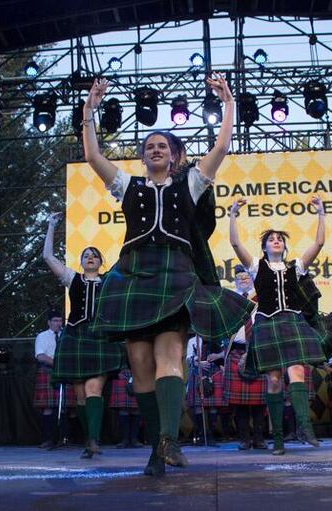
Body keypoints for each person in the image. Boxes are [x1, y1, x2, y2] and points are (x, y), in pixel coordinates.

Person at [82, 74, 253, 476]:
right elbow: (92, 157)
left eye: (163, 146)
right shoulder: (128, 186)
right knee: (139, 364)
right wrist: (89, 111)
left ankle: (169, 442)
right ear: (143, 157)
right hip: (133, 275)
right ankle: (159, 444)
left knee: (168, 354)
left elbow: (223, 146)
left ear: (174, 155)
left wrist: (228, 103)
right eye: (149, 146)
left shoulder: (191, 183)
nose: (155, 149)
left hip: (175, 273)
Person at [228, 196, 327, 455]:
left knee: (297, 372)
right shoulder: (255, 266)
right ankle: (279, 440)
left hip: (292, 321)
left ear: (283, 246)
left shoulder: (296, 267)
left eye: (280, 239)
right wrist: (233, 214)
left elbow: (318, 242)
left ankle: (305, 426)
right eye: (271, 238)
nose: (276, 241)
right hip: (267, 324)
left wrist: (321, 213)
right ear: (264, 246)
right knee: (273, 380)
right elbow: (235, 242)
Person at [43, 212, 123, 459]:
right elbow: (47, 256)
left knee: (93, 390)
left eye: (94, 255)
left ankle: (93, 440)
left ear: (100, 261)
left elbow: (129, 260)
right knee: (80, 395)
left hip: (99, 337)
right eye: (86, 255)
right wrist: (51, 225)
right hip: (76, 336)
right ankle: (89, 439)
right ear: (81, 262)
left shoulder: (110, 280)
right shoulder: (72, 278)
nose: (90, 258)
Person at [222, 266, 267, 450]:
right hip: (236, 351)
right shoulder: (229, 300)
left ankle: (259, 438)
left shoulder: (262, 298)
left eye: (246, 276)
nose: (243, 279)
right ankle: (243, 439)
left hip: (258, 350)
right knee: (239, 402)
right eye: (239, 277)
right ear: (235, 281)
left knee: (260, 401)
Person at [33, 311, 65, 449]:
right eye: (55, 320)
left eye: (60, 320)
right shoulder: (42, 336)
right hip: (48, 371)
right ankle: (47, 439)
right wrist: (58, 364)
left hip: (64, 372)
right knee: (48, 408)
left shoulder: (66, 335)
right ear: (49, 322)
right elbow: (40, 356)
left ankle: (63, 439)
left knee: (64, 407)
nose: (58, 323)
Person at [185, 334, 224, 446]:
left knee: (213, 406)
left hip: (215, 372)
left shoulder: (217, 338)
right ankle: (202, 435)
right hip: (198, 372)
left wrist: (217, 355)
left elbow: (226, 353)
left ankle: (210, 434)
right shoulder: (193, 340)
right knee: (198, 406)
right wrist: (198, 363)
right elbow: (188, 359)